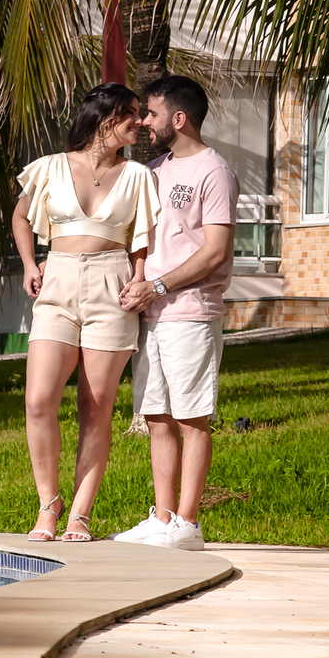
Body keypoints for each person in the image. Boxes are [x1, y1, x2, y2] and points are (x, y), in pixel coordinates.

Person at [12, 84, 160, 541]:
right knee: (38, 400)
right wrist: (29, 264)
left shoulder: (137, 175)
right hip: (57, 279)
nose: (139, 122)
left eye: (140, 113)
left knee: (95, 407)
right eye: (130, 113)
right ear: (103, 116)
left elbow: (142, 238)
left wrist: (139, 278)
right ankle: (48, 504)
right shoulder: (50, 167)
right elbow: (21, 217)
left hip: (111, 285)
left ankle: (79, 513)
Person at [115, 76, 238, 552]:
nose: (144, 122)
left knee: (192, 418)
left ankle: (187, 524)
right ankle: (162, 518)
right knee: (157, 416)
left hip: (191, 313)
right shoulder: (152, 171)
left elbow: (216, 250)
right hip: (151, 315)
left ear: (179, 118)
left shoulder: (214, 172)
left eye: (151, 113)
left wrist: (159, 286)